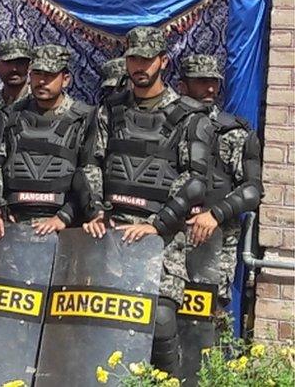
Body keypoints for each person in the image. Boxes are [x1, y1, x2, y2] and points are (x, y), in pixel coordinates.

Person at [83, 26, 213, 376]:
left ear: (163, 62)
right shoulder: (110, 110)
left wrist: (156, 224)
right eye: (133, 58)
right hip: (112, 231)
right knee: (103, 320)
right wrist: (95, 210)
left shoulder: (189, 116)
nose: (139, 65)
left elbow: (195, 181)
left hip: (161, 233)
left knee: (161, 318)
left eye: (147, 58)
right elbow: (92, 163)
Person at [0, 44, 97, 240]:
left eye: (50, 75)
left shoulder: (83, 118)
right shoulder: (13, 115)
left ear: (66, 79)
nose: (42, 81)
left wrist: (65, 216)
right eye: (37, 74)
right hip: (14, 226)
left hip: (62, 229)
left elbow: (89, 175)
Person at [178, 54, 262, 304]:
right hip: (168, 233)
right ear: (183, 85)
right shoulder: (165, 125)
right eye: (202, 81)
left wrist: (215, 214)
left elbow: (252, 189)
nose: (211, 88)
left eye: (214, 82)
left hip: (214, 238)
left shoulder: (233, 133)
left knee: (207, 319)